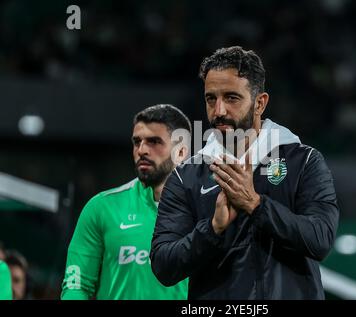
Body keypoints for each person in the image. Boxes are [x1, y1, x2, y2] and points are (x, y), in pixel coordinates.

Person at [151, 46, 339, 299]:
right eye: (211, 99)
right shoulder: (186, 177)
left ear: (260, 103)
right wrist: (212, 229)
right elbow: (163, 266)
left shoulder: (304, 162)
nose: (219, 111)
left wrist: (256, 205)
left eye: (231, 98)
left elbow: (320, 239)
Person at [61, 104, 191, 299]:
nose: (142, 150)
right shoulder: (101, 208)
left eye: (154, 141)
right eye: (137, 142)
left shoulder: (207, 210)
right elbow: (77, 285)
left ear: (181, 151)